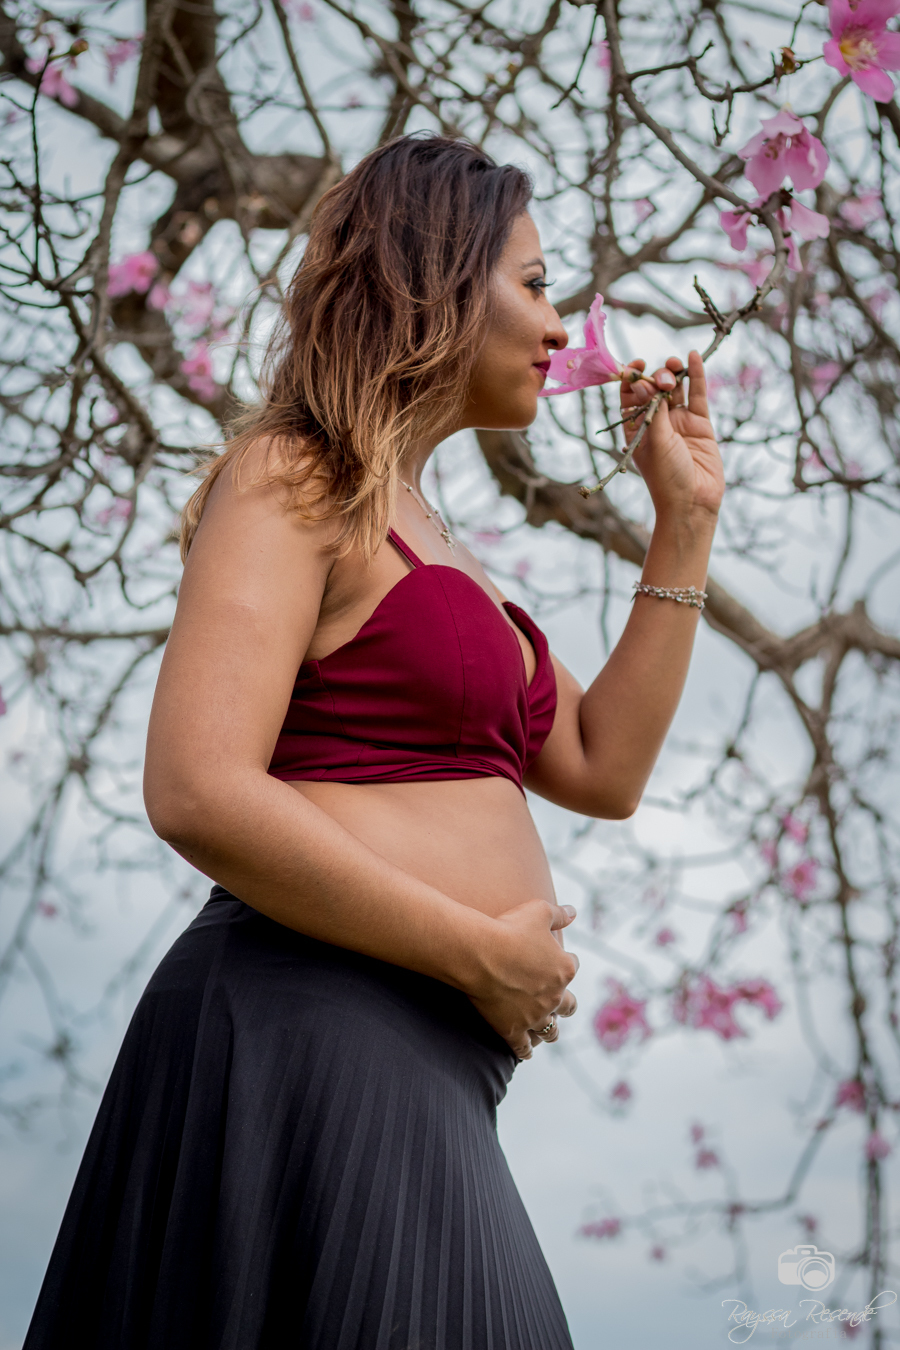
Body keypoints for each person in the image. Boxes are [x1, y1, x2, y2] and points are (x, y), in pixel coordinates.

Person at [23, 134, 724, 1350]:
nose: (561, 329)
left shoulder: (438, 542)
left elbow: (603, 769)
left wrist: (687, 525)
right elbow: (195, 787)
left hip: (436, 1072)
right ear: (437, 277)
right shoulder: (294, 478)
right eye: (537, 281)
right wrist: (474, 952)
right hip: (310, 1029)